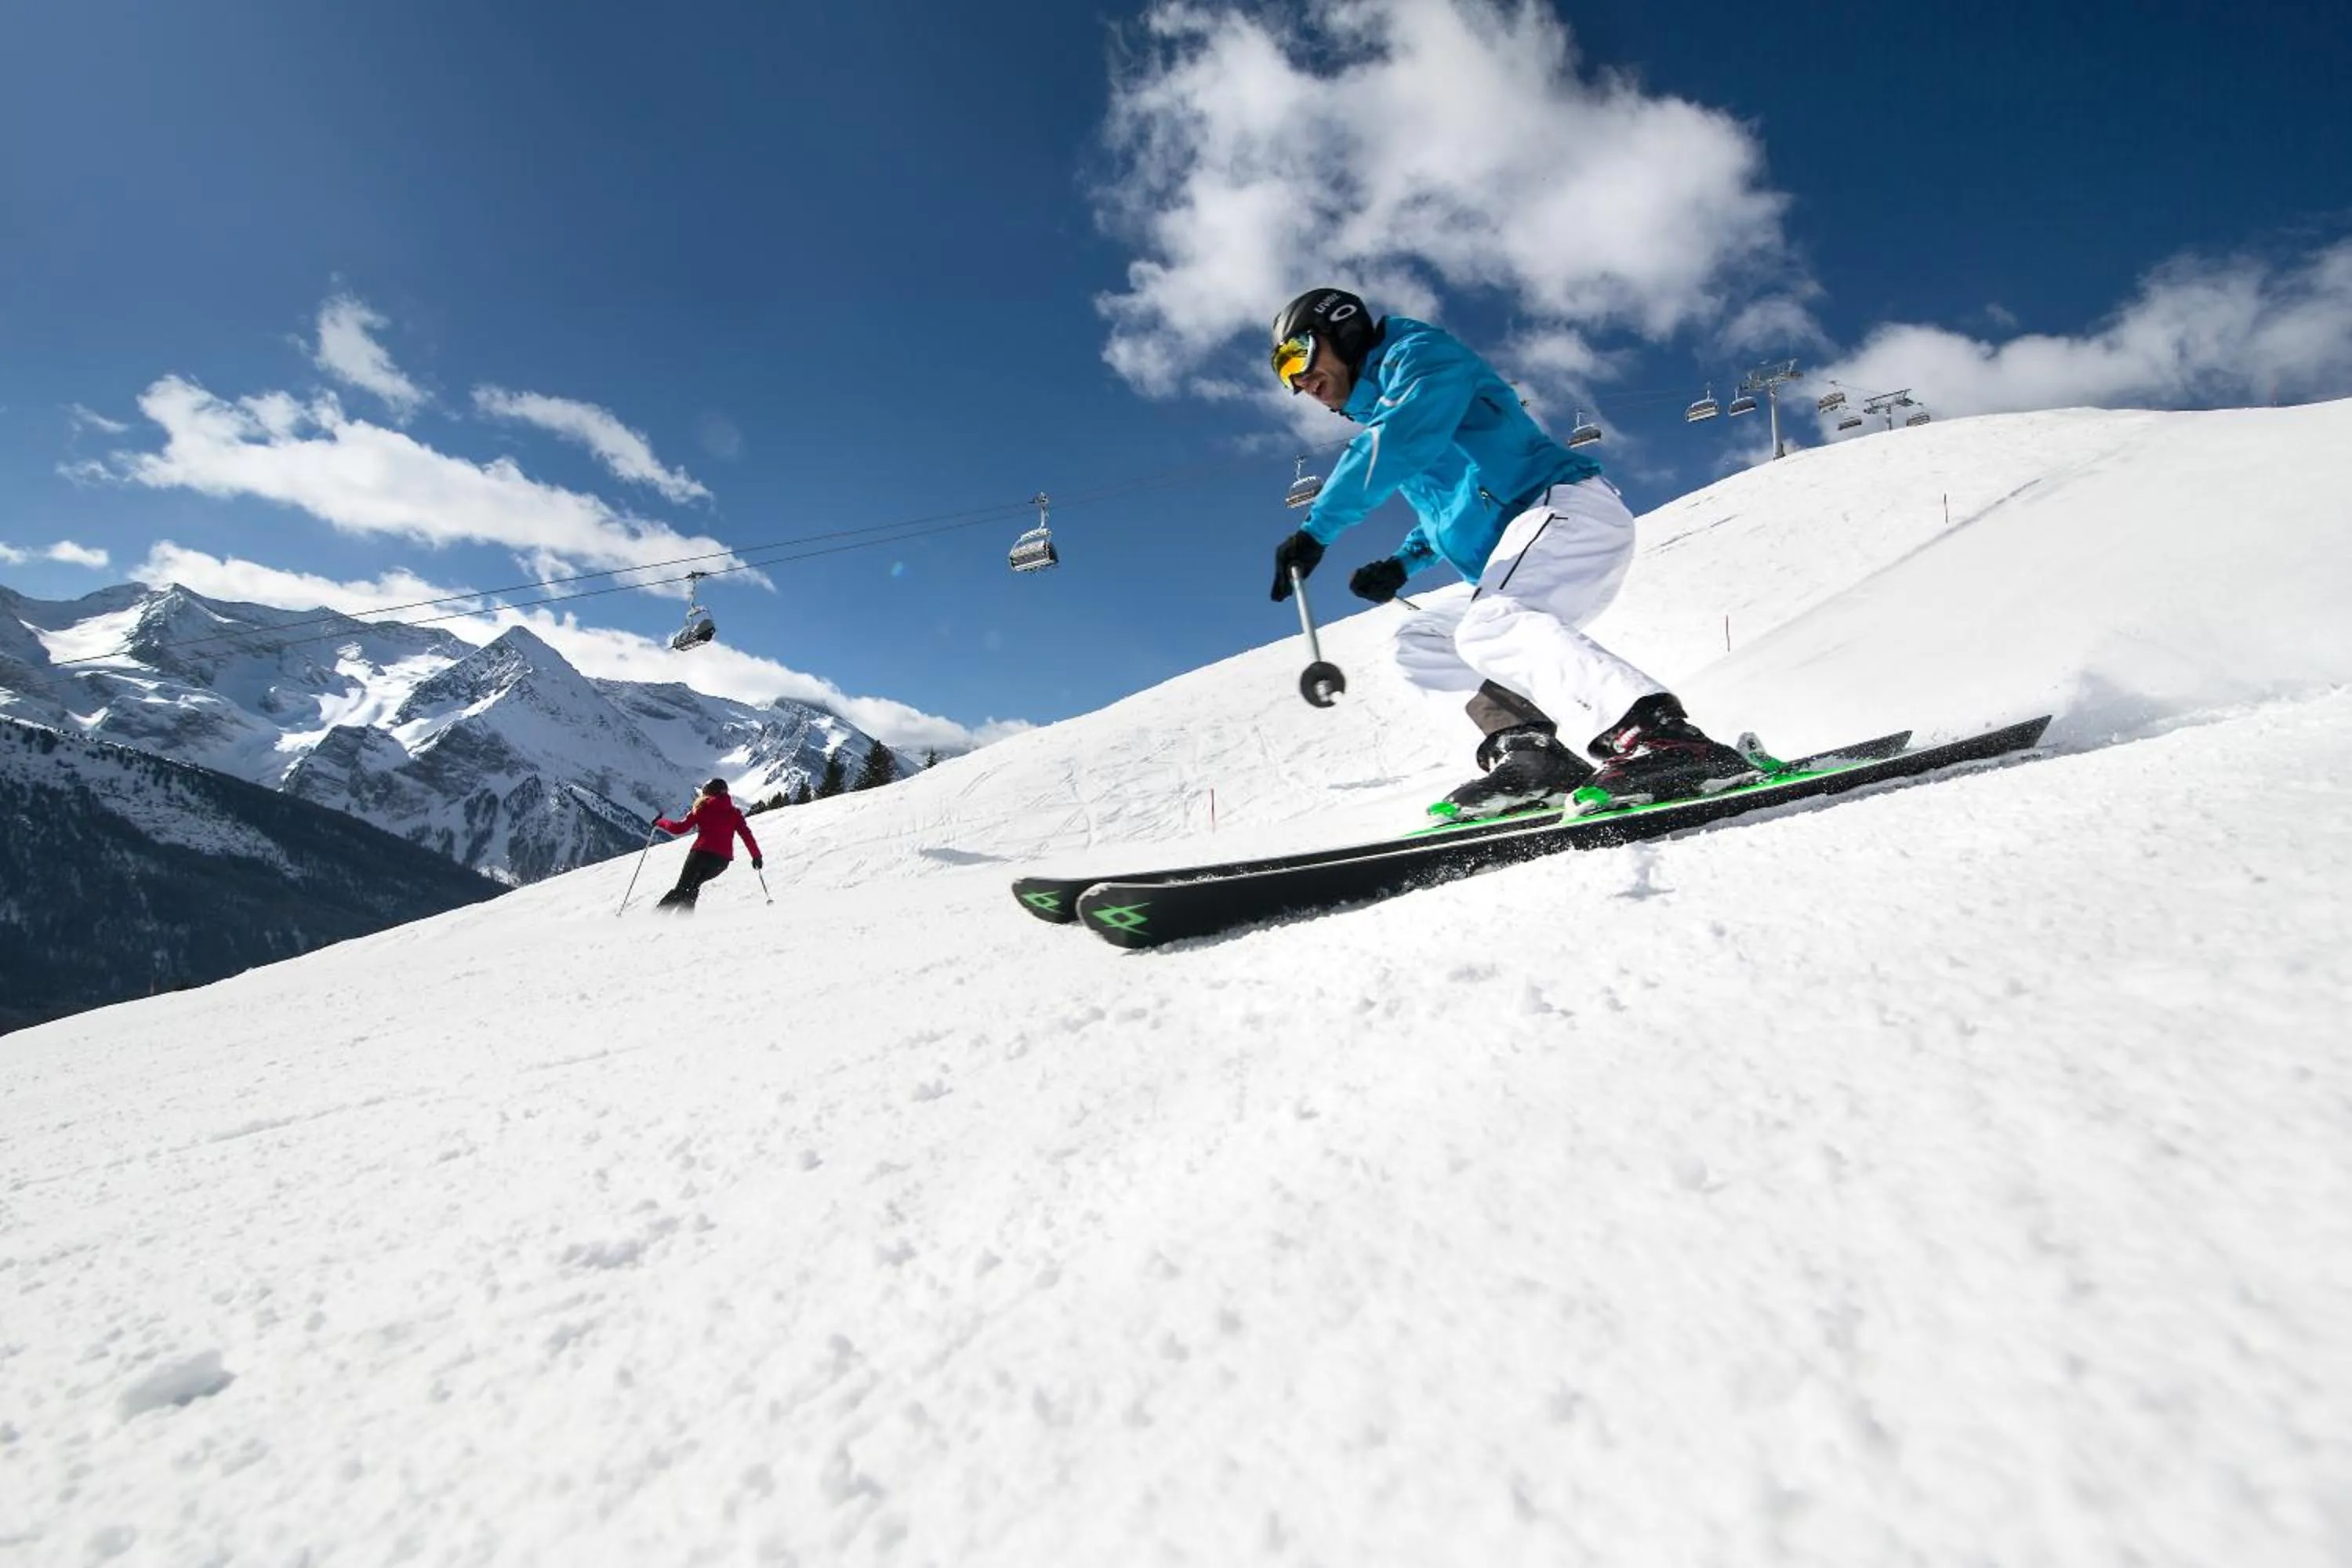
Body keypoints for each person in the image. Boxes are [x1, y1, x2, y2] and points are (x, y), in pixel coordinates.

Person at [1266, 286, 1752, 818]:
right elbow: (1449, 510)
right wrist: (1402, 563)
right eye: (1282, 372)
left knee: (1490, 623)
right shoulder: (1389, 416)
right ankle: (1533, 756)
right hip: (1522, 555)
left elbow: (1402, 436)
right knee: (1424, 639)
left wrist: (1318, 529)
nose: (1298, 382)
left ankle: (1666, 738)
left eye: (1298, 355)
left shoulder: (1419, 359)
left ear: (1344, 330)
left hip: (1565, 512)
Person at [652, 778, 762, 911]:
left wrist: (660, 822)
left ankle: (655, 920)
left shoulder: (702, 808)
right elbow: (746, 835)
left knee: (682, 889)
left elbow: (679, 828)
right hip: (721, 862)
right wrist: (756, 857)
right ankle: (682, 925)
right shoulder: (735, 813)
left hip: (700, 855)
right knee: (692, 889)